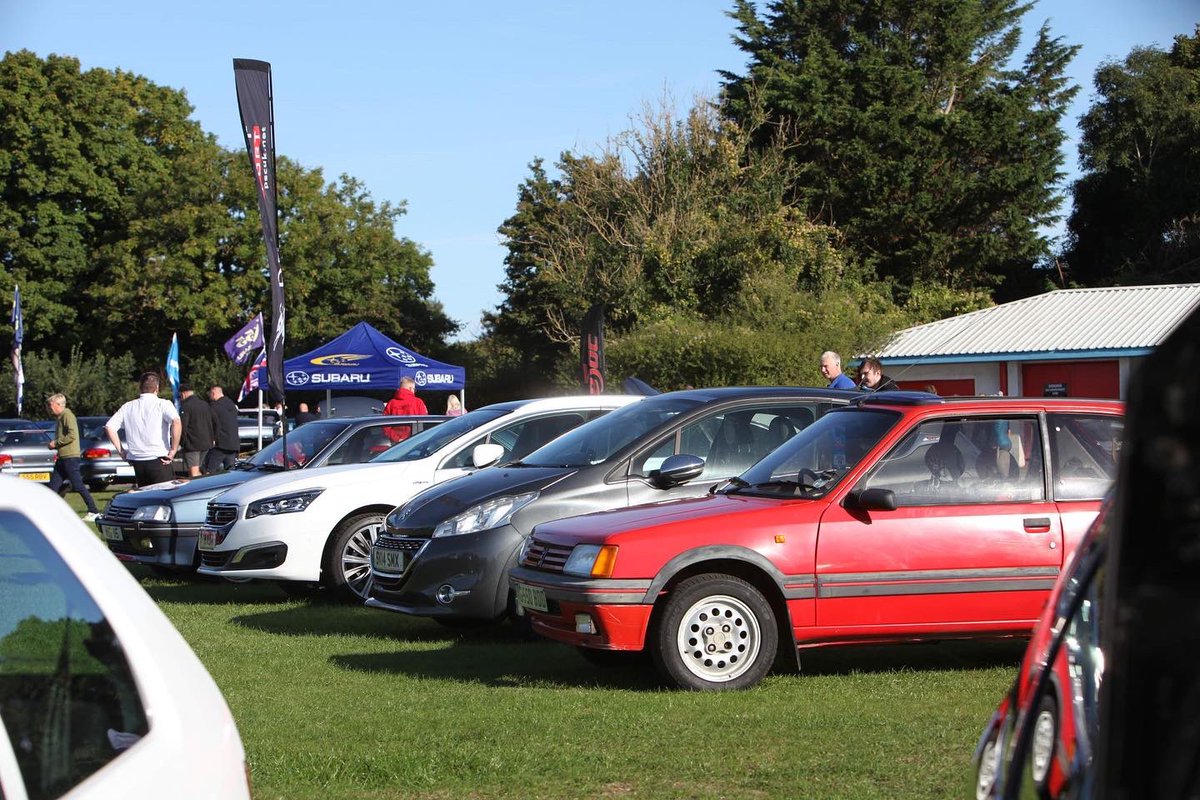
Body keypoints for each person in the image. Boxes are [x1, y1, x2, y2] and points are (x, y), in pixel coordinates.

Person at [105, 372, 181, 487]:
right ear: (157, 388)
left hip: (137, 461)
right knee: (163, 498)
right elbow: (176, 422)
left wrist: (121, 451)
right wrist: (173, 449)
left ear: (140, 388)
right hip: (159, 459)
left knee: (145, 498)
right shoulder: (163, 404)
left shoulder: (128, 406)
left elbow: (109, 427)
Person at [46, 393, 102, 520]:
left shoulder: (67, 415)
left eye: (51, 405)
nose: (50, 408)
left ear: (59, 405)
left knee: (78, 485)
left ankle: (94, 511)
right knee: (53, 487)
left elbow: (72, 435)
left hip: (70, 458)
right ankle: (49, 511)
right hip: (62, 458)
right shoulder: (60, 417)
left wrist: (56, 443)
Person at [178, 382, 215, 477]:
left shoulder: (186, 406)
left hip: (192, 445)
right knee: (199, 469)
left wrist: (182, 443)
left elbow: (183, 426)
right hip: (206, 443)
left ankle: (199, 490)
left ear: (183, 394)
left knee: (194, 473)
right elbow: (214, 422)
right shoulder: (205, 404)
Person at [204, 384, 240, 473]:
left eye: (210, 394)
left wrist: (212, 438)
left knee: (208, 470)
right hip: (233, 444)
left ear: (213, 393)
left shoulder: (214, 406)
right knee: (231, 472)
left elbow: (214, 424)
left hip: (221, 444)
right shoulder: (231, 404)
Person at [383, 376, 428, 442]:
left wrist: (397, 439)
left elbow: (385, 426)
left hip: (395, 445)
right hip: (414, 441)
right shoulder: (418, 402)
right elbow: (425, 423)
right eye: (414, 389)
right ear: (410, 389)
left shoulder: (391, 403)